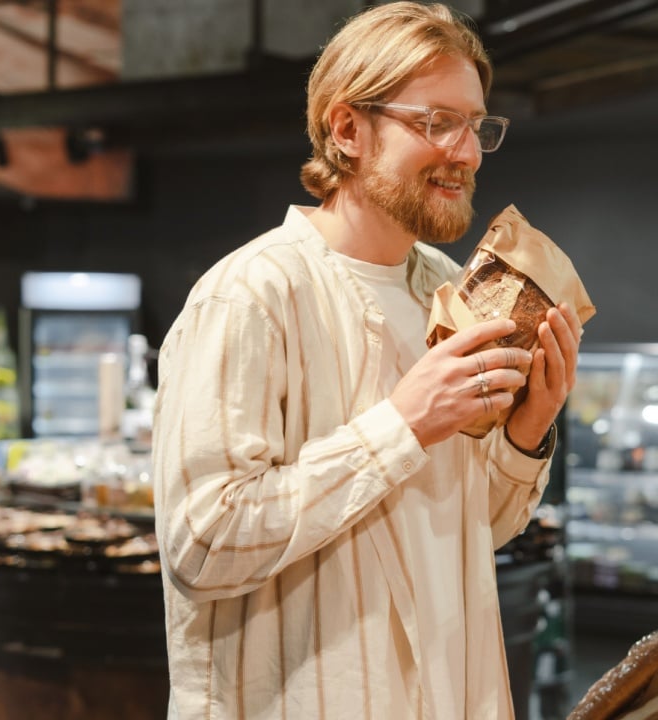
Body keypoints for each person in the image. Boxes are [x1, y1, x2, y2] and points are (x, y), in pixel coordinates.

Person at [151, 2, 583, 718]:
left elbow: (477, 529)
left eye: (476, 125)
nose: (468, 153)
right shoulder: (251, 295)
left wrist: (525, 433)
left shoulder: (449, 286)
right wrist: (401, 429)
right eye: (437, 122)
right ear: (348, 129)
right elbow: (202, 543)